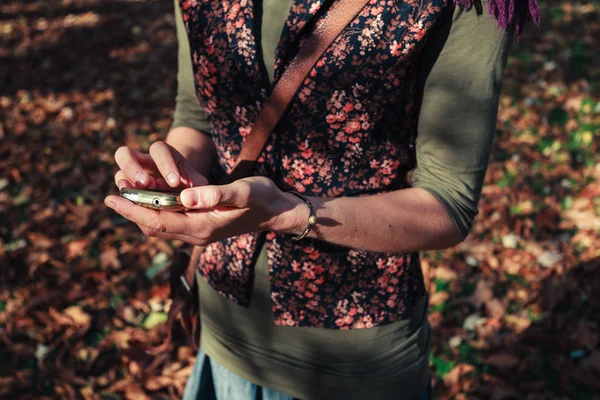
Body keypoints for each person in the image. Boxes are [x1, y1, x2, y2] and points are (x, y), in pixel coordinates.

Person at [105, 0, 538, 398]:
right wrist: (173, 175)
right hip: (222, 334)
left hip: (350, 366)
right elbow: (195, 115)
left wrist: (287, 213)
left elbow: (447, 202)